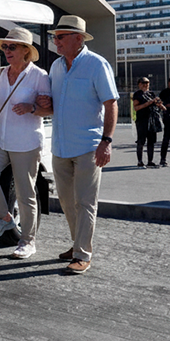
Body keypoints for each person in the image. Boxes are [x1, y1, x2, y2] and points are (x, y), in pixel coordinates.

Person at [36, 15, 118, 275]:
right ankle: (77, 244)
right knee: (66, 201)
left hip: (88, 146)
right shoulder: (56, 67)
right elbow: (53, 104)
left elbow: (111, 104)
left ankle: (83, 254)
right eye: (55, 37)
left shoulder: (97, 64)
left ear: (78, 38)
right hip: (60, 147)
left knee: (84, 202)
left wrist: (106, 141)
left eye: (60, 37)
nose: (56, 42)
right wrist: (39, 104)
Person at [0, 27, 51, 260]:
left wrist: (31, 107)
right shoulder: (2, 73)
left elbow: (50, 109)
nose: (7, 50)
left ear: (26, 50)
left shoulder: (39, 75)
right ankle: (5, 218)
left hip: (26, 141)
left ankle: (28, 242)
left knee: (25, 194)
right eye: (5, 46)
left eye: (12, 46)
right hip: (0, 137)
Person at [132, 77, 163, 168]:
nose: (146, 85)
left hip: (152, 119)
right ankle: (140, 161)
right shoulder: (137, 94)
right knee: (141, 141)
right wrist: (149, 103)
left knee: (151, 141)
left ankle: (150, 161)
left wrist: (159, 104)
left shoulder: (151, 94)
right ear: (139, 84)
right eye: (143, 83)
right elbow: (136, 108)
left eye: (147, 83)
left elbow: (158, 104)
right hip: (142, 120)